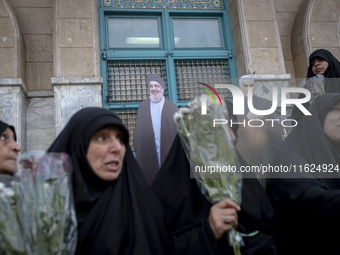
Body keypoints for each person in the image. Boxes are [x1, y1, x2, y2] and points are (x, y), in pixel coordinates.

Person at [152, 100, 279, 255]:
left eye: (232, 128)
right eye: (218, 129)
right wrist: (207, 232)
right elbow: (158, 247)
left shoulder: (246, 182)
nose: (231, 137)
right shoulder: (166, 193)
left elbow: (271, 231)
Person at [48, 107, 168, 255]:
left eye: (120, 138)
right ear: (79, 146)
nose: (117, 148)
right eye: (102, 138)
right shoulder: (45, 207)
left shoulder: (143, 206)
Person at [266, 93, 340, 255]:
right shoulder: (289, 159)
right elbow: (309, 202)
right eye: (336, 109)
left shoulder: (334, 152)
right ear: (318, 116)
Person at [235, 75, 284, 177]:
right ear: (239, 87)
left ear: (255, 87)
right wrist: (248, 119)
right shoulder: (233, 106)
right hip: (244, 154)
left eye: (251, 85)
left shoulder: (266, 104)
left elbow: (275, 129)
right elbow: (233, 132)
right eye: (245, 85)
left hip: (266, 153)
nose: (248, 88)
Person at [134, 73, 178, 185]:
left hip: (168, 154)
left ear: (162, 89)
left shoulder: (172, 107)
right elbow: (138, 133)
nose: (154, 89)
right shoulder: (143, 106)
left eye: (157, 86)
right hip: (147, 154)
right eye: (151, 86)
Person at [291, 48, 340, 122]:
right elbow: (297, 117)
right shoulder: (309, 89)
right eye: (312, 63)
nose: (316, 64)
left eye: (320, 60)